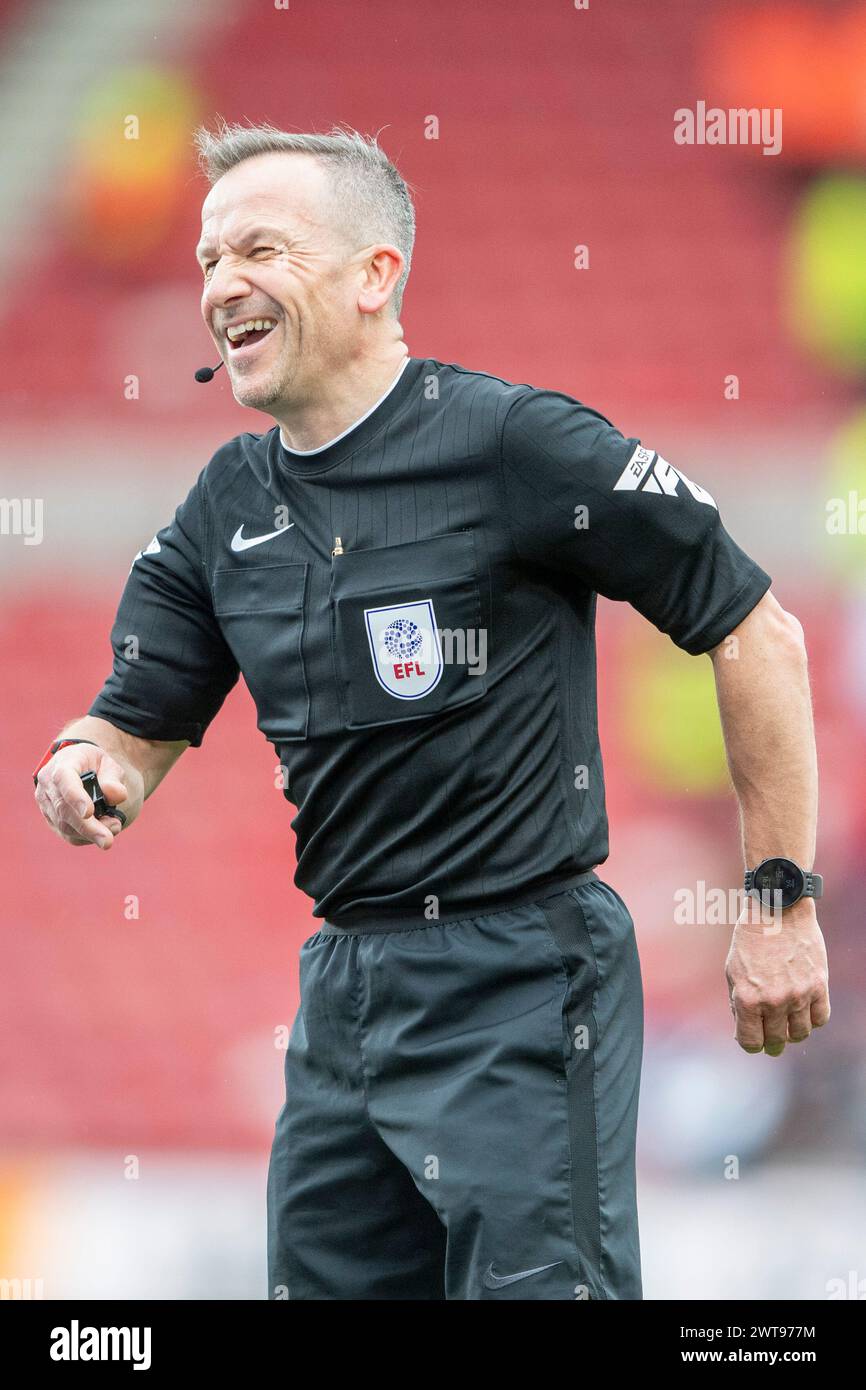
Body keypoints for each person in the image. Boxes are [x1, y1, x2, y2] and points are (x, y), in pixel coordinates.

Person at [33, 123, 829, 1301]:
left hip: (520, 974)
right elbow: (134, 720)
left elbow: (752, 626)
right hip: (344, 988)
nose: (219, 286)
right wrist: (82, 764)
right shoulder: (223, 507)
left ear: (373, 275)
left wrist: (775, 901)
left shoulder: (515, 445)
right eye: (206, 259)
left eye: (259, 247)